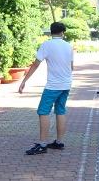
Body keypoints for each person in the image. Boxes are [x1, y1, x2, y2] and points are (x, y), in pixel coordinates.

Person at [19, 22, 74, 155]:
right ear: (63, 32)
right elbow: (72, 67)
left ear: (51, 32)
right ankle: (59, 142)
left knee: (43, 112)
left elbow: (35, 64)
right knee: (60, 111)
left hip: (53, 86)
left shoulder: (46, 45)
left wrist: (24, 81)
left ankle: (42, 144)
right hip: (66, 84)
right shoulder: (68, 46)